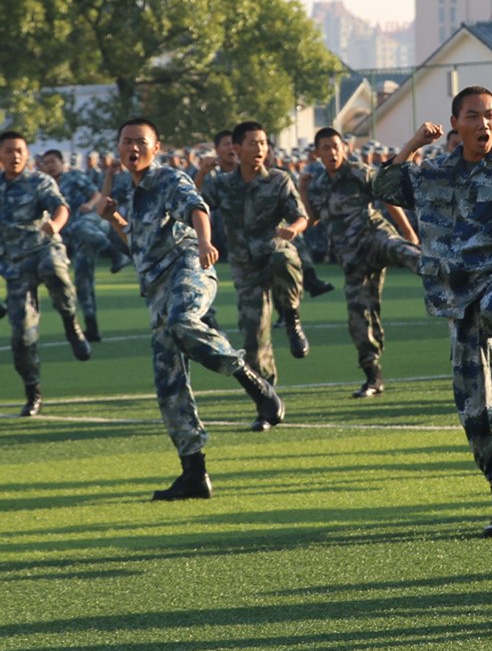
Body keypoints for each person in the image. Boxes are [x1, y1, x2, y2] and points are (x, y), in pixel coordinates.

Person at [372, 87, 492, 537]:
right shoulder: (434, 171)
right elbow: (383, 187)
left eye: (490, 115)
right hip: (459, 300)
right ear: (455, 124)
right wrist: (414, 144)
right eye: (473, 116)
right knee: (476, 404)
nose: (483, 123)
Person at [100, 119, 284, 498]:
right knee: (169, 385)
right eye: (126, 142)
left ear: (156, 147)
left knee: (183, 321)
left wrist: (203, 242)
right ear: (118, 148)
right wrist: (114, 218)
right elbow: (137, 241)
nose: (133, 148)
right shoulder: (132, 191)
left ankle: (254, 383)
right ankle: (194, 474)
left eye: (141, 142)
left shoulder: (167, 177)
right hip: (157, 290)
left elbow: (197, 206)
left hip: (188, 268)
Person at [300, 127, 421, 399]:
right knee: (359, 317)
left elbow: (386, 196)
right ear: (317, 153)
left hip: (375, 238)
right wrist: (302, 190)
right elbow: (312, 219)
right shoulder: (317, 184)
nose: (332, 153)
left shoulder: (358, 172)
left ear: (344, 148)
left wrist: (408, 231)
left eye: (336, 146)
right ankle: (373, 377)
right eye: (326, 148)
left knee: (407, 252)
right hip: (352, 259)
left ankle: (449, 279)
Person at [197, 121, 310, 403]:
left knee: (284, 258)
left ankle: (292, 319)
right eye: (253, 143)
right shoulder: (222, 184)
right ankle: (267, 400)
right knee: (253, 338)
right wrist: (201, 174)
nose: (260, 148)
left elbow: (301, 216)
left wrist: (293, 228)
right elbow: (195, 206)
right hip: (245, 268)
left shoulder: (279, 180)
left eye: (263, 143)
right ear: (237, 148)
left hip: (274, 254)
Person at [0, 132, 91, 416]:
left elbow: (60, 207)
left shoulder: (39, 180)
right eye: (8, 150)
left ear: (27, 154)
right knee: (21, 338)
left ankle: (71, 322)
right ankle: (33, 393)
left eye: (19, 150)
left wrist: (57, 224)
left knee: (54, 269)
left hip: (44, 247)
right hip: (15, 264)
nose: (15, 156)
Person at [38, 149, 130, 342]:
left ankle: (116, 254)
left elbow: (96, 194)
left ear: (61, 162)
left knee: (79, 226)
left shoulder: (73, 176)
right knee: (83, 279)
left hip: (92, 221)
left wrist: (89, 204)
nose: (50, 165)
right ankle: (92, 328)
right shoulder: (45, 185)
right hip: (78, 237)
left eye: (53, 161)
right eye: (46, 163)